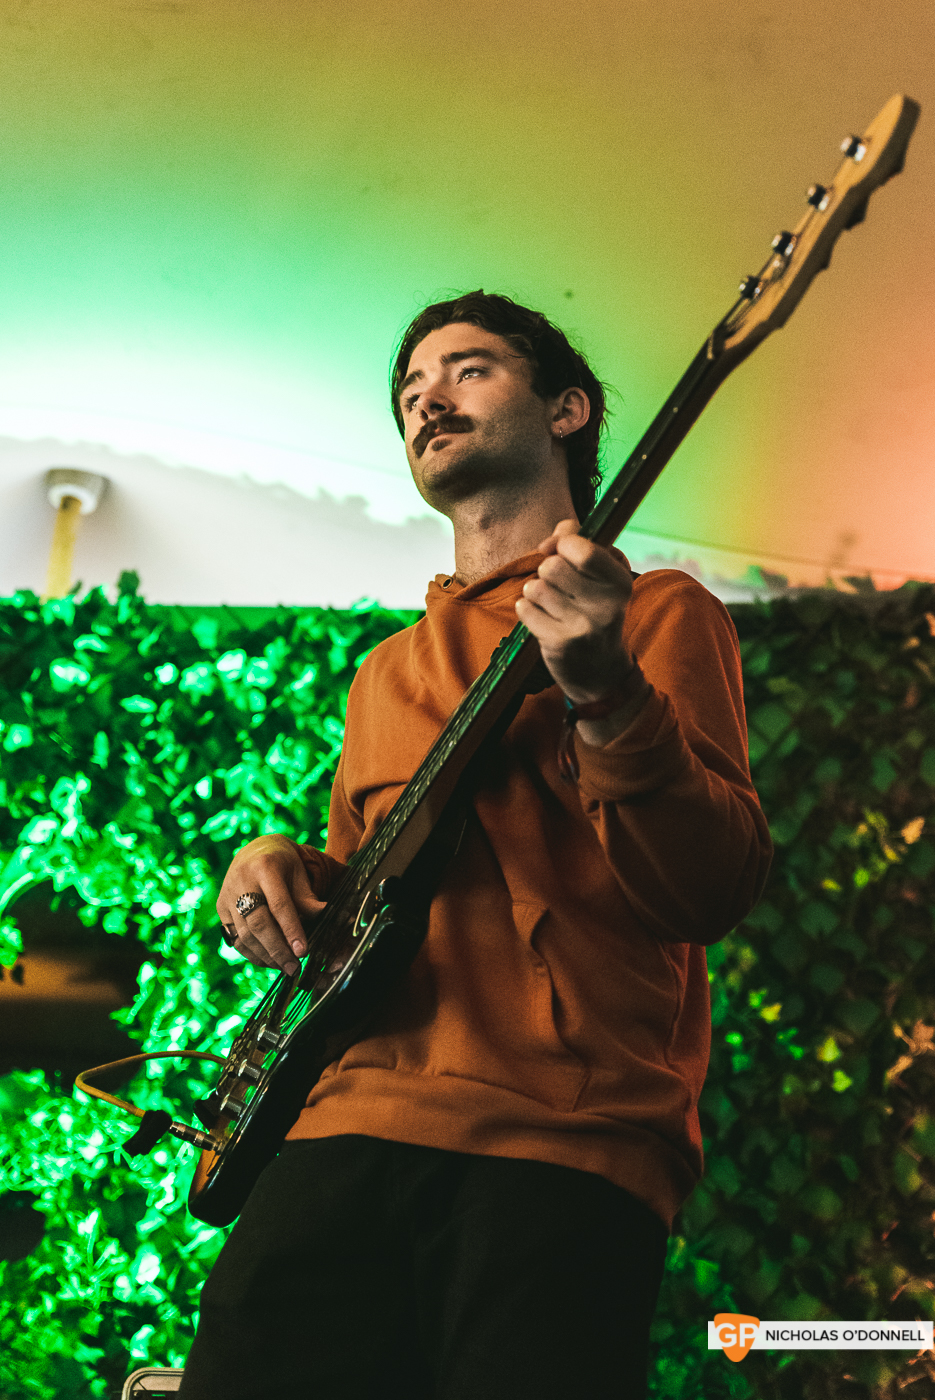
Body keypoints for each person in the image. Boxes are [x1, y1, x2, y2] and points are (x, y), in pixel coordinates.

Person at [177, 291, 772, 1400]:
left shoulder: (657, 613)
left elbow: (708, 887)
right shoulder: (384, 672)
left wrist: (605, 692)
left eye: (468, 369)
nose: (427, 400)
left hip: (561, 1143)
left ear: (566, 410)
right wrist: (278, 871)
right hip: (341, 1124)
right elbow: (365, 906)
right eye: (410, 389)